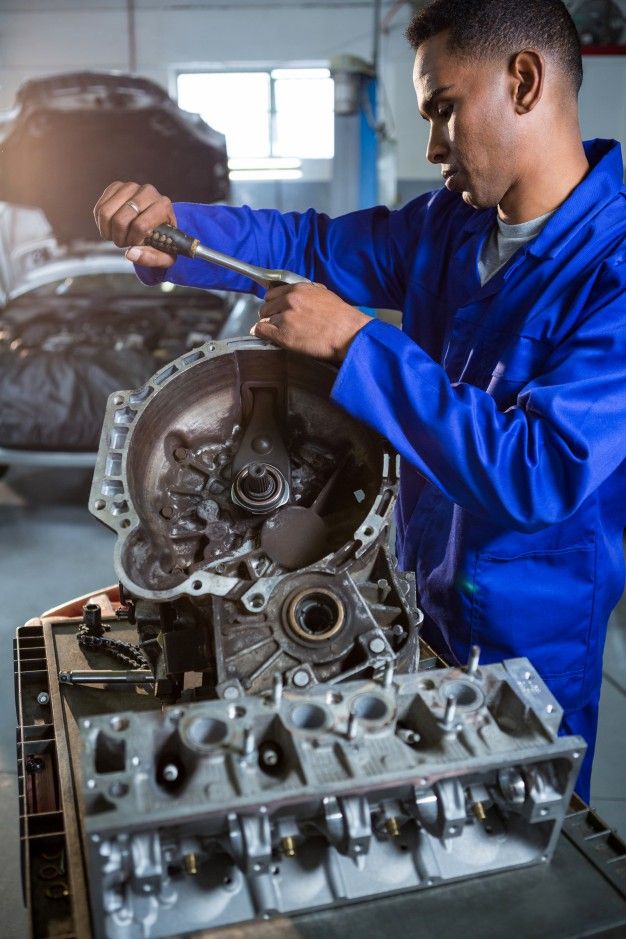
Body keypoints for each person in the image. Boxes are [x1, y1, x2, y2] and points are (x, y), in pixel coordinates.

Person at [94, 0, 626, 802]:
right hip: (413, 592)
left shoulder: (613, 268)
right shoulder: (450, 227)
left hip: (531, 637)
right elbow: (310, 248)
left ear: (524, 80)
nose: (433, 146)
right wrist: (176, 230)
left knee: (518, 853)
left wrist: (354, 343)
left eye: (445, 109)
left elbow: (540, 471)